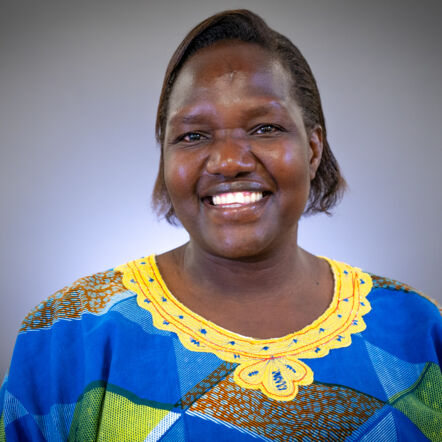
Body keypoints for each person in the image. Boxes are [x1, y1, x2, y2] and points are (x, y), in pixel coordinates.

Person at [1, 9, 440, 441]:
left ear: (311, 149)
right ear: (167, 158)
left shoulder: (421, 329)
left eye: (265, 127)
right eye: (193, 135)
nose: (229, 161)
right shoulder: (69, 332)